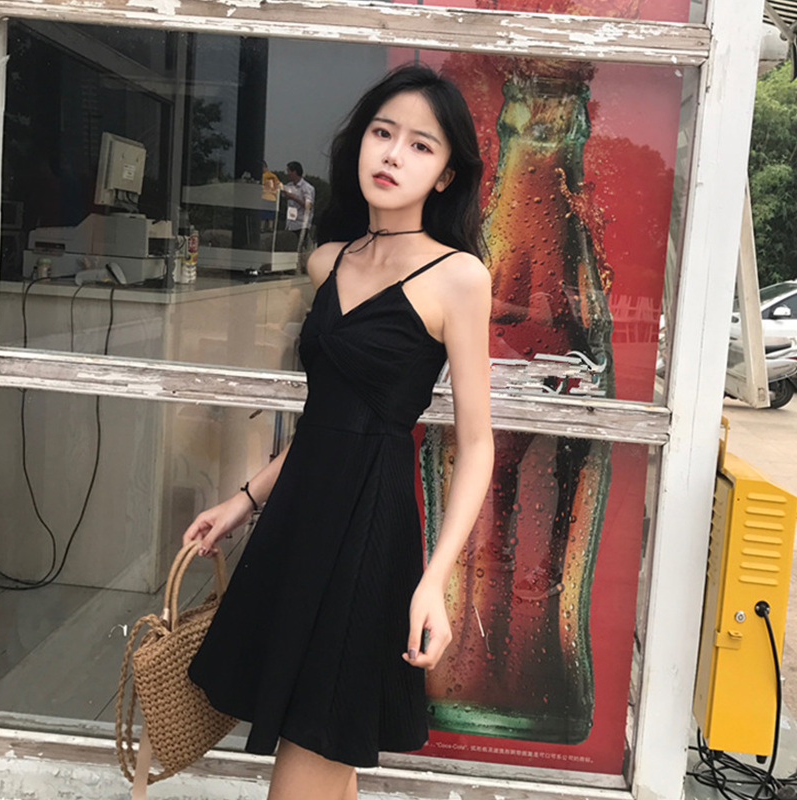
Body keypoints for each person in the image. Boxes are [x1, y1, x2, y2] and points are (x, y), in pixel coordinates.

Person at [183, 64, 494, 800]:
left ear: (447, 174)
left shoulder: (458, 277)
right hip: (298, 523)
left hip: (368, 531)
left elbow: (478, 443)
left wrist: (436, 580)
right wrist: (243, 502)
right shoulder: (327, 262)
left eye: (421, 145)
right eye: (383, 133)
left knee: (316, 740)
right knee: (323, 748)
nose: (393, 154)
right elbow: (326, 421)